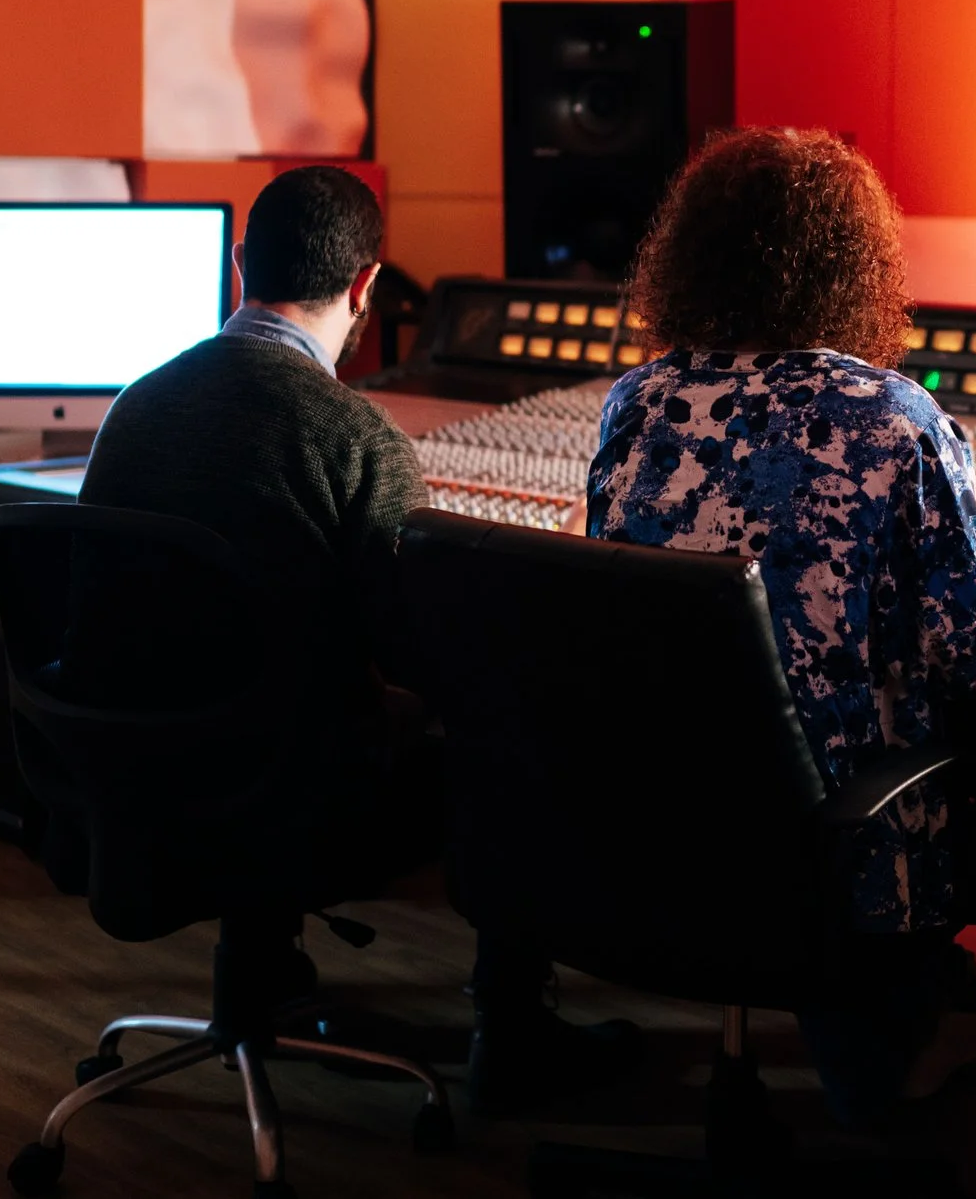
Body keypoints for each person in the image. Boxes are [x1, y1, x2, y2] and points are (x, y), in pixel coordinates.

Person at [79, 164, 632, 1111]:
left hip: (139, 772)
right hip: (297, 791)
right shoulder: (352, 435)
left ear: (242, 260)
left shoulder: (136, 406)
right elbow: (419, 650)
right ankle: (514, 1030)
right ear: (367, 286)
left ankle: (264, 966)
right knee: (501, 719)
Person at [585, 127, 976, 1124]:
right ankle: (892, 1034)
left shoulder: (637, 404)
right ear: (854, 266)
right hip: (837, 844)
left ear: (689, 255)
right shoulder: (894, 418)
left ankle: (868, 1024)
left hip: (655, 817)